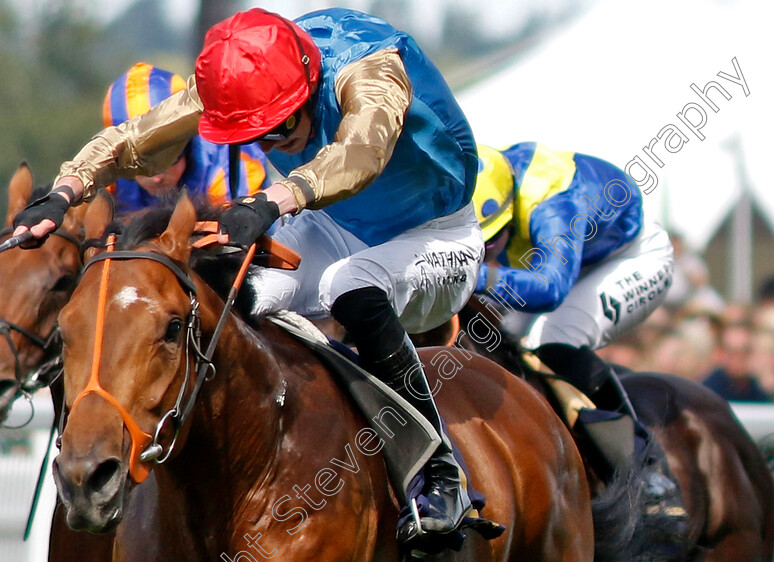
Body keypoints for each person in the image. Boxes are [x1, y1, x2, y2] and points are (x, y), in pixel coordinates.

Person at [12, 8, 483, 549]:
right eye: (255, 132)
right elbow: (132, 137)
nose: (272, 143)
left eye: (277, 126)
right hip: (335, 223)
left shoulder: (370, 72)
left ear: (306, 88)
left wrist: (272, 200)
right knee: (227, 297)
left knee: (350, 288)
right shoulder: (246, 70)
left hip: (436, 235)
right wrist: (64, 190)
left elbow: (363, 152)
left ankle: (438, 467)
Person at [470, 142, 684, 516]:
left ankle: (646, 470)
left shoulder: (554, 207)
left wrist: (473, 274)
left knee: (554, 341)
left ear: (509, 209)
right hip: (554, 260)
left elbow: (551, 288)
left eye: (491, 240)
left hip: (627, 257)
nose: (484, 250)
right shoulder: (479, 182)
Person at [102, 62, 270, 212]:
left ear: (187, 139)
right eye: (140, 165)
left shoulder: (230, 166)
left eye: (169, 159)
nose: (156, 178)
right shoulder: (106, 174)